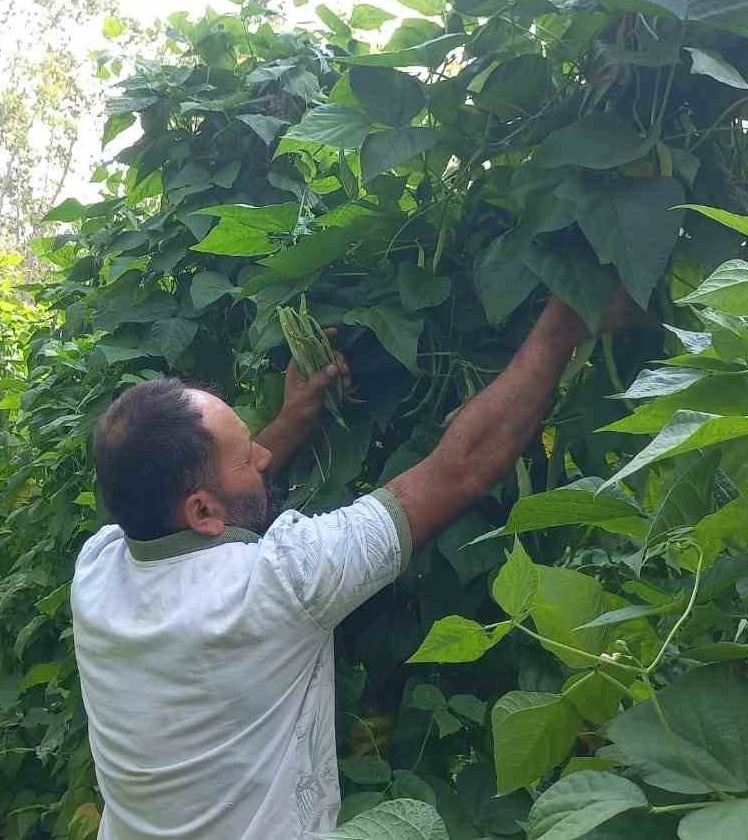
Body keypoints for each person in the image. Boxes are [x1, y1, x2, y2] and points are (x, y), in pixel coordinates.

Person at [72, 294, 621, 839]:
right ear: (201, 510)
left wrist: (293, 418)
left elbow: (211, 506)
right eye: (248, 457)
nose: (264, 457)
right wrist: (563, 324)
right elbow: (462, 469)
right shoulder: (284, 582)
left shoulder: (97, 567)